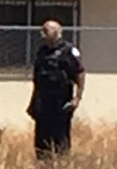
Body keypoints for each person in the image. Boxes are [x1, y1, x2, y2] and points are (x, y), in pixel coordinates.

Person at [27, 19, 85, 160]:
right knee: (42, 138)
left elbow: (80, 73)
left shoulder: (69, 51)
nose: (42, 34)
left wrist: (77, 97)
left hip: (61, 101)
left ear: (56, 32)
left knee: (60, 137)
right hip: (43, 101)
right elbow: (37, 80)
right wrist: (33, 103)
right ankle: (43, 164)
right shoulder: (42, 52)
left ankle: (61, 164)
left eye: (45, 31)